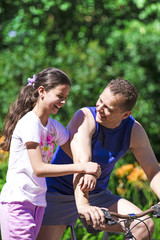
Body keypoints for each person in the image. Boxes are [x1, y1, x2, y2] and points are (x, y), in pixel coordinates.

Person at [37, 78, 160, 240]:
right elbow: (82, 163)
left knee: (143, 225)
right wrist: (83, 206)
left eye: (107, 108)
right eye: (100, 100)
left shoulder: (134, 131)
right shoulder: (84, 117)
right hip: (56, 194)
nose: (99, 108)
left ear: (126, 115)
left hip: (97, 195)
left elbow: (153, 170)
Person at [0, 67, 101, 240]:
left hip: (38, 202)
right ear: (42, 91)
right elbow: (39, 168)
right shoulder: (29, 124)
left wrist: (89, 170)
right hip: (18, 201)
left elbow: (75, 151)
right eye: (59, 96)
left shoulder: (53, 127)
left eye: (65, 98)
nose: (63, 102)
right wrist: (82, 166)